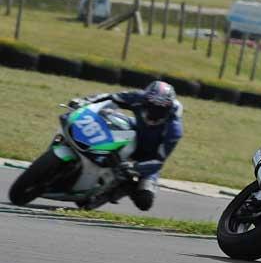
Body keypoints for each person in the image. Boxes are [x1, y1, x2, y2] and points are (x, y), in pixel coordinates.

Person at [73, 81, 183, 211]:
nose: (154, 111)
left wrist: (135, 167)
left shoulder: (174, 130)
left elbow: (158, 162)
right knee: (107, 115)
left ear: (168, 108)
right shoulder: (138, 97)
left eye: (161, 109)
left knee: (145, 201)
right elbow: (111, 97)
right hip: (132, 134)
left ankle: (124, 187)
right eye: (151, 105)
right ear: (145, 100)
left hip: (148, 159)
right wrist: (84, 102)